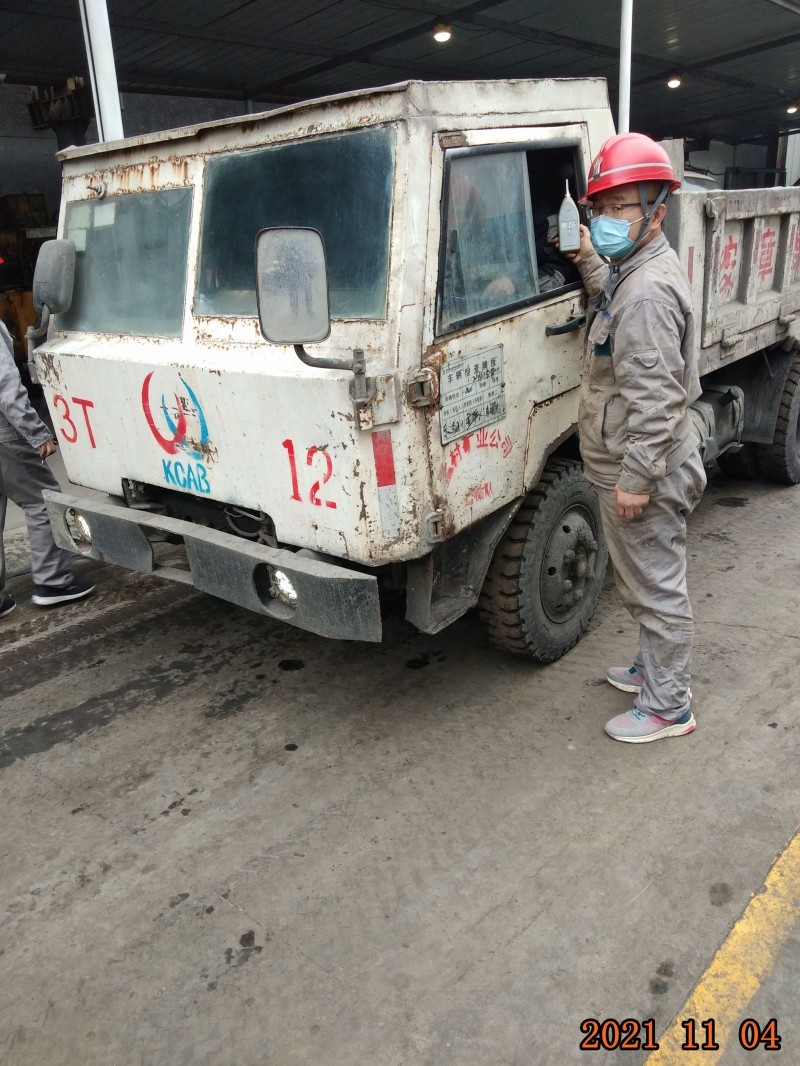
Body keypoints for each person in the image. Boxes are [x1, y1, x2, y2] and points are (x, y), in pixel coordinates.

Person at [560, 132, 706, 743]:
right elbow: (611, 302)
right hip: (639, 457)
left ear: (657, 211)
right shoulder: (634, 270)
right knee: (644, 578)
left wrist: (636, 479)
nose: (607, 219)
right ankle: (653, 670)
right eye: (601, 207)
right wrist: (586, 258)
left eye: (620, 206)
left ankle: (669, 706)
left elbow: (656, 400)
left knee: (655, 587)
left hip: (648, 465)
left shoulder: (645, 291)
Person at [0, 318, 95, 618]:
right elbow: (6, 387)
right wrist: (37, 432)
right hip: (4, 437)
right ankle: (52, 582)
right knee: (43, 500)